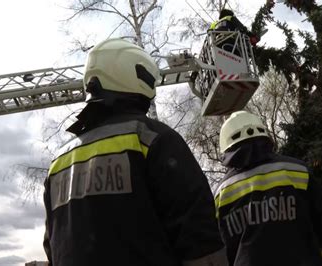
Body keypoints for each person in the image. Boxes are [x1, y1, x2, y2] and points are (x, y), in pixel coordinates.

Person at [43, 38, 228, 266]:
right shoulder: (154, 139)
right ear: (135, 74)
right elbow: (200, 238)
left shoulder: (58, 165)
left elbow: (53, 247)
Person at [215, 110, 322, 266]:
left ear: (226, 147)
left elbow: (217, 248)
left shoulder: (220, 194)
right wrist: (317, 255)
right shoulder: (298, 170)